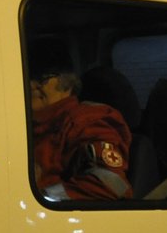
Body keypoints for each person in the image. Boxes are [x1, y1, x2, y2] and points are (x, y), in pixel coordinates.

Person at [29, 45, 133, 201]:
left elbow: (108, 185)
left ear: (68, 82)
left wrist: (40, 199)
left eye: (42, 77)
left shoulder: (86, 120)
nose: (32, 84)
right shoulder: (19, 126)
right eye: (28, 76)